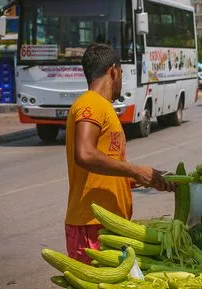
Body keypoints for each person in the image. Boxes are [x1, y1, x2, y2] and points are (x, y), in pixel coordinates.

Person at [65, 43, 176, 263]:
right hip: (92, 225)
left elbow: (102, 170)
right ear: (113, 71)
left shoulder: (103, 106)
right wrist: (135, 171)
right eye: (122, 74)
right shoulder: (91, 104)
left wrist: (145, 178)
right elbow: (85, 154)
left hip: (108, 224)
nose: (121, 80)